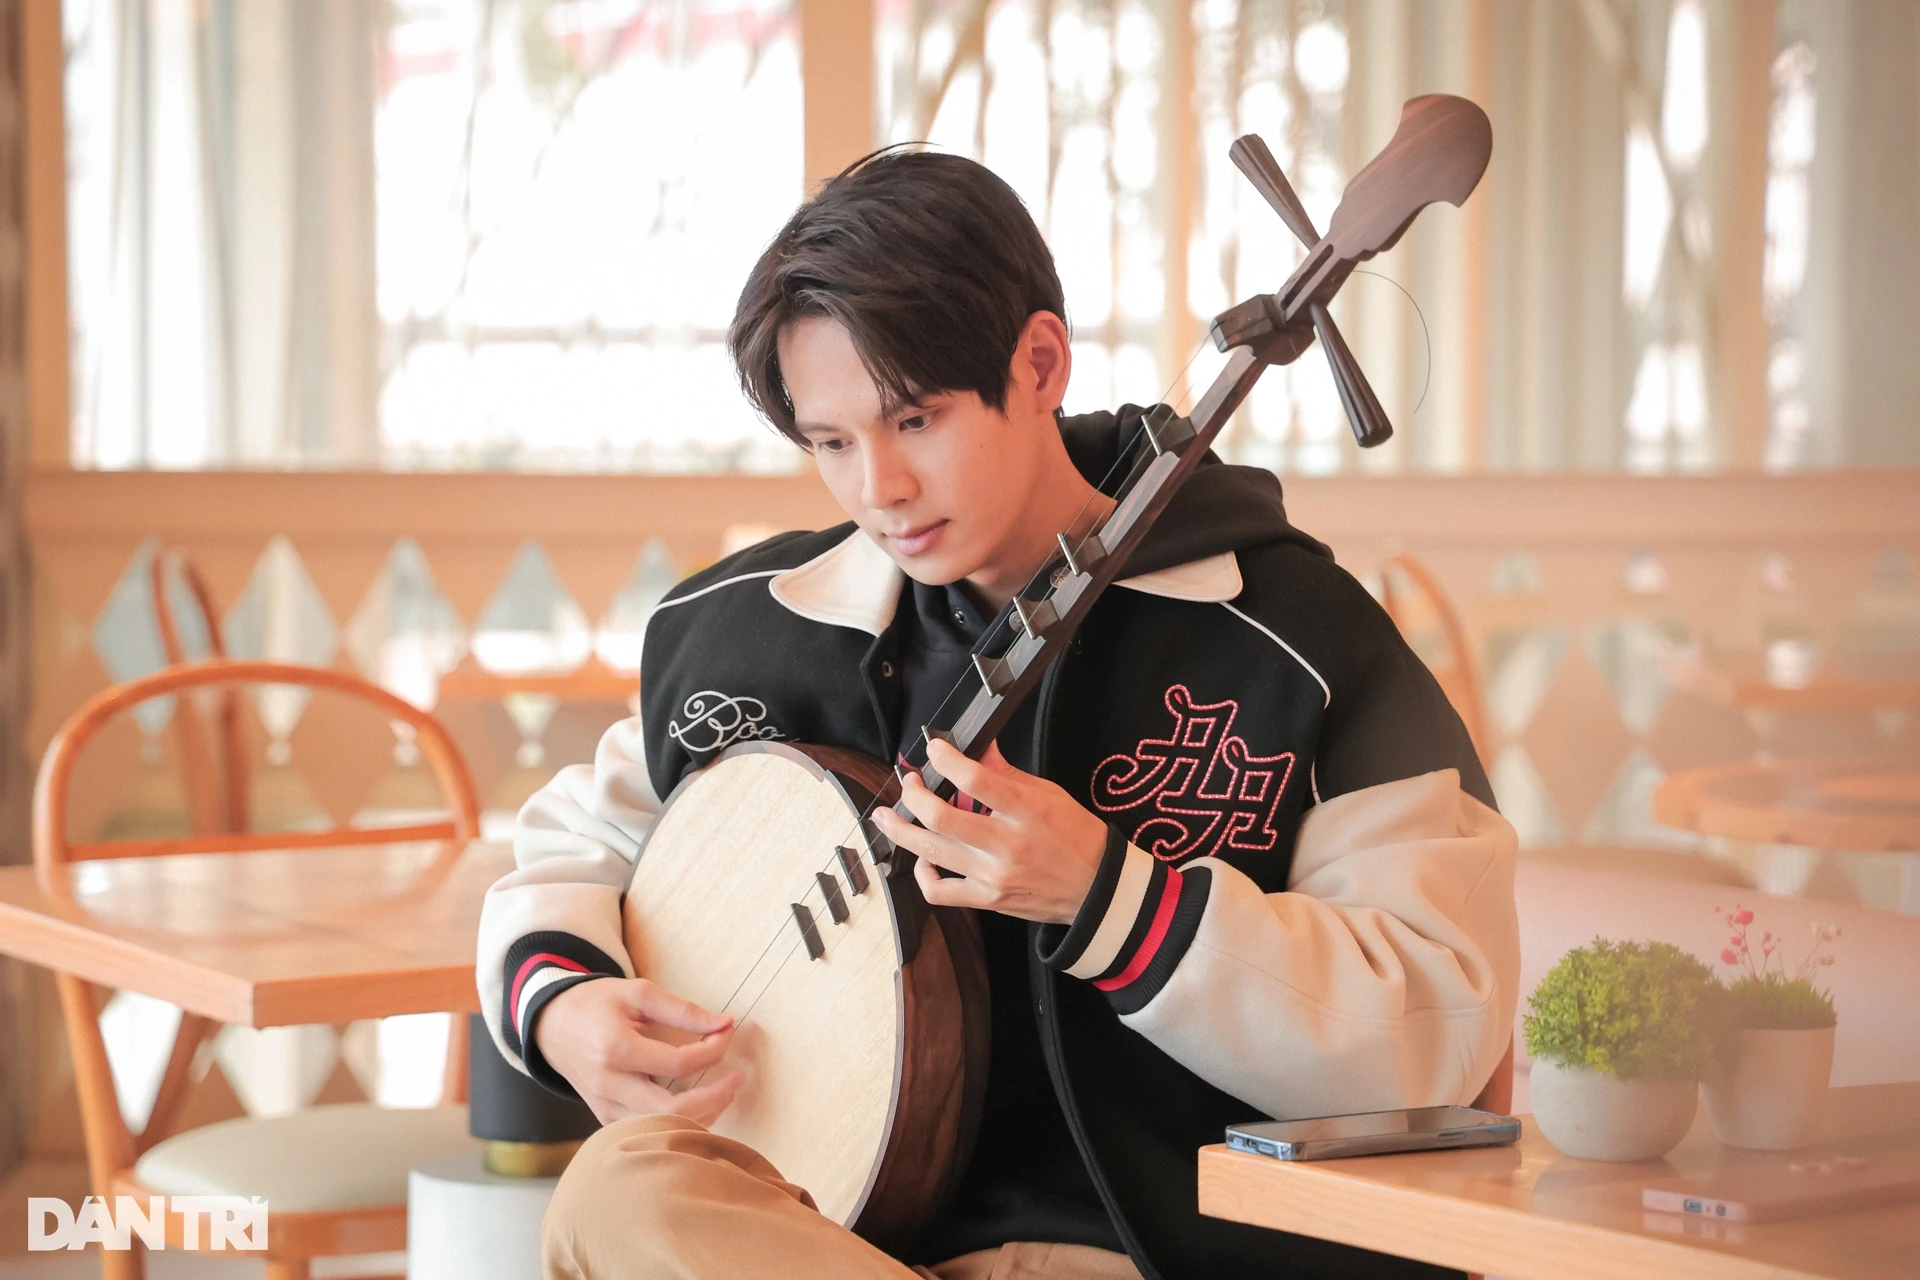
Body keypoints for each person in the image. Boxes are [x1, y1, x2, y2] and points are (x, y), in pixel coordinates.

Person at [476, 146, 1519, 1280]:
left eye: (915, 420)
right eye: (832, 443)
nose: (879, 489)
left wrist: (1110, 894)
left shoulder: (1299, 641)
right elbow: (576, 845)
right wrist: (562, 1003)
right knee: (619, 1188)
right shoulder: (746, 634)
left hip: (1164, 1258)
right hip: (837, 1249)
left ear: (1040, 362)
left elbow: (1445, 1020)